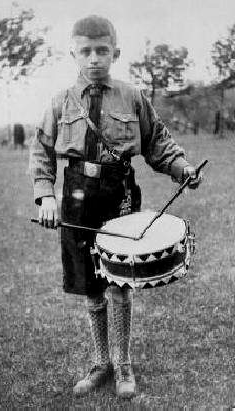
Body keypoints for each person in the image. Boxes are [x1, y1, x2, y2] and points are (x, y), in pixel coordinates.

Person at [29, 15, 202, 399]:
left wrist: (181, 169)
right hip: (75, 196)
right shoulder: (60, 100)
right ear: (73, 52)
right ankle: (100, 360)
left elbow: (158, 142)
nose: (94, 58)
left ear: (115, 52)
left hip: (119, 193)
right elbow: (41, 150)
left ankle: (122, 363)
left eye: (102, 50)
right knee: (91, 286)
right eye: (86, 51)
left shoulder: (132, 96)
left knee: (120, 282)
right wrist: (45, 195)